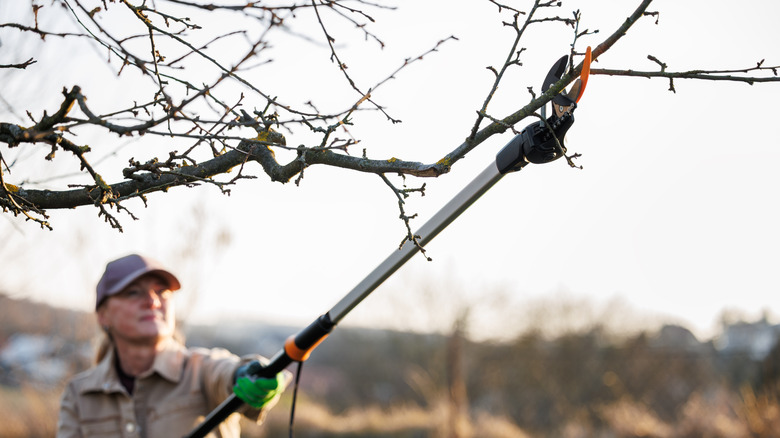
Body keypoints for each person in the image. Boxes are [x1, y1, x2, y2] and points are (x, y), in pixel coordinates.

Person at [56, 254, 289, 438]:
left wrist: (248, 373)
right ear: (103, 315)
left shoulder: (203, 370)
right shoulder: (78, 395)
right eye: (134, 292)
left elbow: (227, 372)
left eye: (161, 291)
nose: (152, 301)